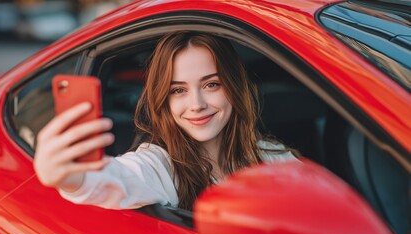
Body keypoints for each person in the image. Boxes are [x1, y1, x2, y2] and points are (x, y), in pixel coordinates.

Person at [34, 31, 298, 211]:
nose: (196, 104)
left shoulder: (272, 155)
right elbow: (117, 179)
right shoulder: (161, 166)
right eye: (178, 90)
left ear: (234, 87)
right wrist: (72, 179)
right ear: (164, 99)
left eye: (211, 84)